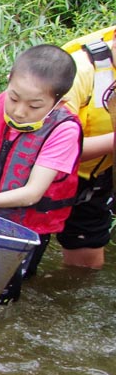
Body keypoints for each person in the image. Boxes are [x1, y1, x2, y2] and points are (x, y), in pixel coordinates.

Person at [0, 45, 81, 301]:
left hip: (22, 231)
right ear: (9, 82)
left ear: (59, 102)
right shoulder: (1, 105)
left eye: (35, 105)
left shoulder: (64, 131)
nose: (20, 111)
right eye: (14, 98)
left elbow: (32, 194)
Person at [54, 27, 116, 269]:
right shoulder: (80, 68)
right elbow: (50, 146)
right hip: (46, 175)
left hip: (95, 178)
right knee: (22, 266)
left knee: (85, 272)